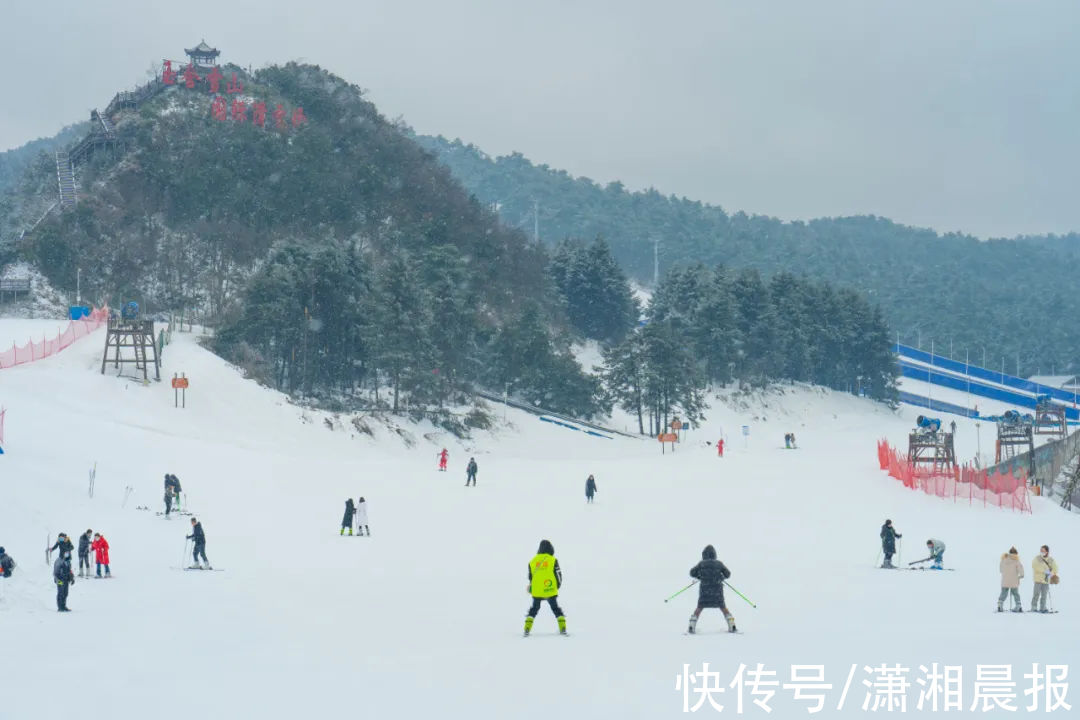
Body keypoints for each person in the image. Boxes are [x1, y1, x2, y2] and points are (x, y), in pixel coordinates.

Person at [688, 545, 736, 633]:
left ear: (704, 555)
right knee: (723, 607)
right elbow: (728, 574)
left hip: (704, 592)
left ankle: (691, 626)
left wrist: (700, 576)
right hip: (717, 592)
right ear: (714, 554)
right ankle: (732, 625)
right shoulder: (719, 564)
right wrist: (721, 577)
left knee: (699, 608)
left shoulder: (701, 564)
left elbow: (692, 572)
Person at [524, 539, 566, 636]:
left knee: (534, 609)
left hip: (537, 590)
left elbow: (530, 577)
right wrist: (557, 586)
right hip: (550, 589)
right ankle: (562, 627)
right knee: (555, 609)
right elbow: (558, 575)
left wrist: (533, 588)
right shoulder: (553, 560)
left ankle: (527, 628)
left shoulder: (532, 561)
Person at [1031, 545, 1059, 613]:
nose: (1041, 552)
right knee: (1036, 594)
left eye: (1043, 551)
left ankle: (1042, 607)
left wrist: (1051, 572)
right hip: (1038, 579)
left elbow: (1055, 569)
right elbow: (1035, 566)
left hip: (1046, 580)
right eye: (1041, 550)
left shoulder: (1051, 560)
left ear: (1047, 552)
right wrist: (1045, 571)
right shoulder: (1037, 558)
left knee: (1044, 595)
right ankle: (1034, 607)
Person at [998, 547, 1024, 612]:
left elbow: (1001, 570)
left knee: (1003, 593)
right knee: (1015, 593)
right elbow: (1021, 570)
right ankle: (1018, 606)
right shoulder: (1016, 561)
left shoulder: (1003, 560)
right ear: (1016, 553)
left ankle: (1000, 605)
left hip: (1005, 580)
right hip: (1014, 580)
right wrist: (1021, 575)